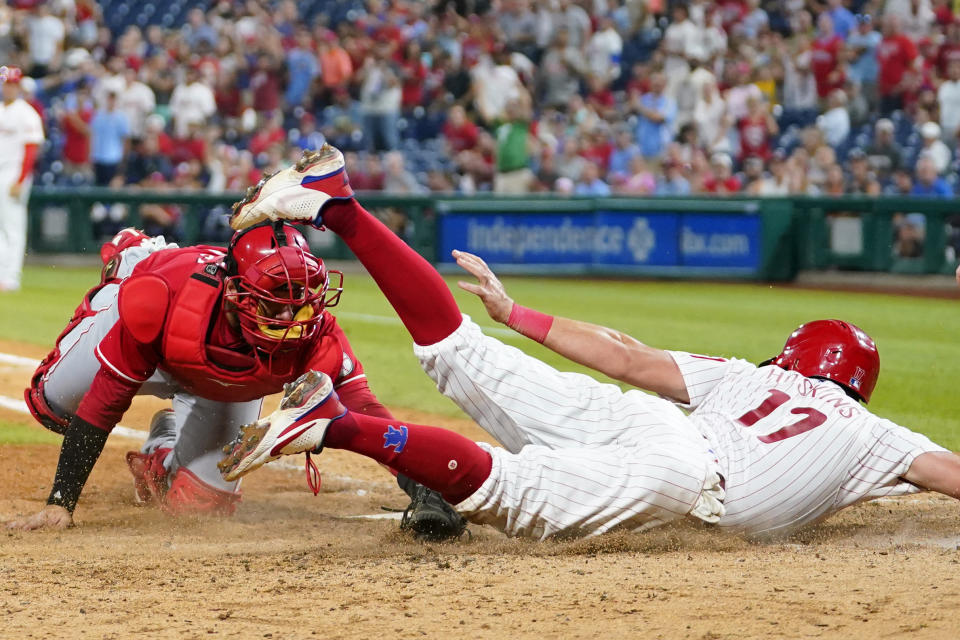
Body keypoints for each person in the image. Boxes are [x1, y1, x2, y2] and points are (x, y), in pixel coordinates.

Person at [220, 145, 960, 540]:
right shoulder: (874, 433)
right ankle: (337, 423)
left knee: (462, 352)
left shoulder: (747, 376)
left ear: (794, 357)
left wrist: (517, 315)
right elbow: (951, 474)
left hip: (651, 423)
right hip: (685, 480)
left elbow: (626, 354)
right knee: (508, 492)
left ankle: (339, 204)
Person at [4, 152, 464, 540]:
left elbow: (364, 411)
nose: (292, 318)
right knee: (50, 403)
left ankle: (163, 443)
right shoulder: (162, 301)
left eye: (299, 302)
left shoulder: (313, 327)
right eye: (275, 303)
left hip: (220, 381)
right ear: (235, 294)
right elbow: (106, 399)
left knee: (199, 505)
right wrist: (61, 501)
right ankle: (134, 257)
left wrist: (424, 489)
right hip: (153, 320)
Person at [0, 66, 44, 293]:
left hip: (13, 173)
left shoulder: (26, 113)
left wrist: (21, 179)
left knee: (13, 226)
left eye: (11, 83)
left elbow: (31, 149)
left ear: (18, 86)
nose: (8, 87)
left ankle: (11, 277)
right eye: (5, 83)